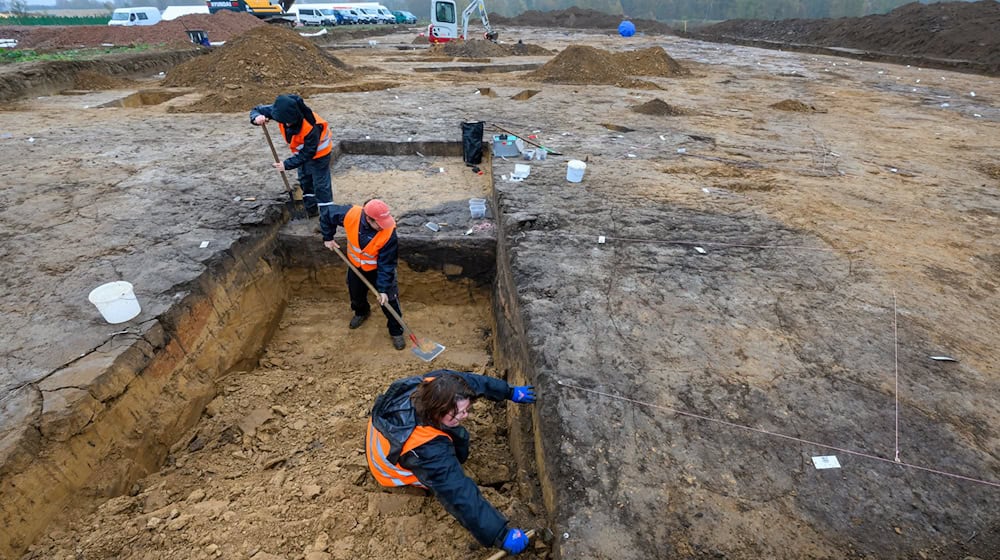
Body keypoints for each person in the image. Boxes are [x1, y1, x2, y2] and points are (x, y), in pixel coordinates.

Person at [366, 371, 537, 555]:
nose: (466, 416)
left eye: (467, 409)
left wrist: (509, 392)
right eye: (458, 413)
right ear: (437, 413)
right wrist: (500, 534)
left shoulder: (433, 384)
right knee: (446, 477)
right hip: (391, 469)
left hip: (386, 435)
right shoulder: (426, 449)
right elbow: (458, 493)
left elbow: (473, 382)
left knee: (456, 437)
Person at [321, 199, 405, 350]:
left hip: (377, 270)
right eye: (379, 224)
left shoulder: (388, 232)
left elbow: (387, 263)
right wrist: (328, 237)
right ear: (368, 218)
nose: (383, 227)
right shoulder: (350, 214)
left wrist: (383, 289)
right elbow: (327, 214)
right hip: (355, 266)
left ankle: (396, 331)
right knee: (356, 294)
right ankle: (361, 312)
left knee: (389, 300)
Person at [249, 94, 334, 219]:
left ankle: (327, 217)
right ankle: (311, 210)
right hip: (301, 154)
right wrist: (257, 118)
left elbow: (308, 152)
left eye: (289, 122)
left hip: (320, 155)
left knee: (321, 185)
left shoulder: (311, 126)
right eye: (284, 122)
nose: (287, 125)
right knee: (305, 181)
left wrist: (286, 164)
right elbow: (256, 110)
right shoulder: (279, 110)